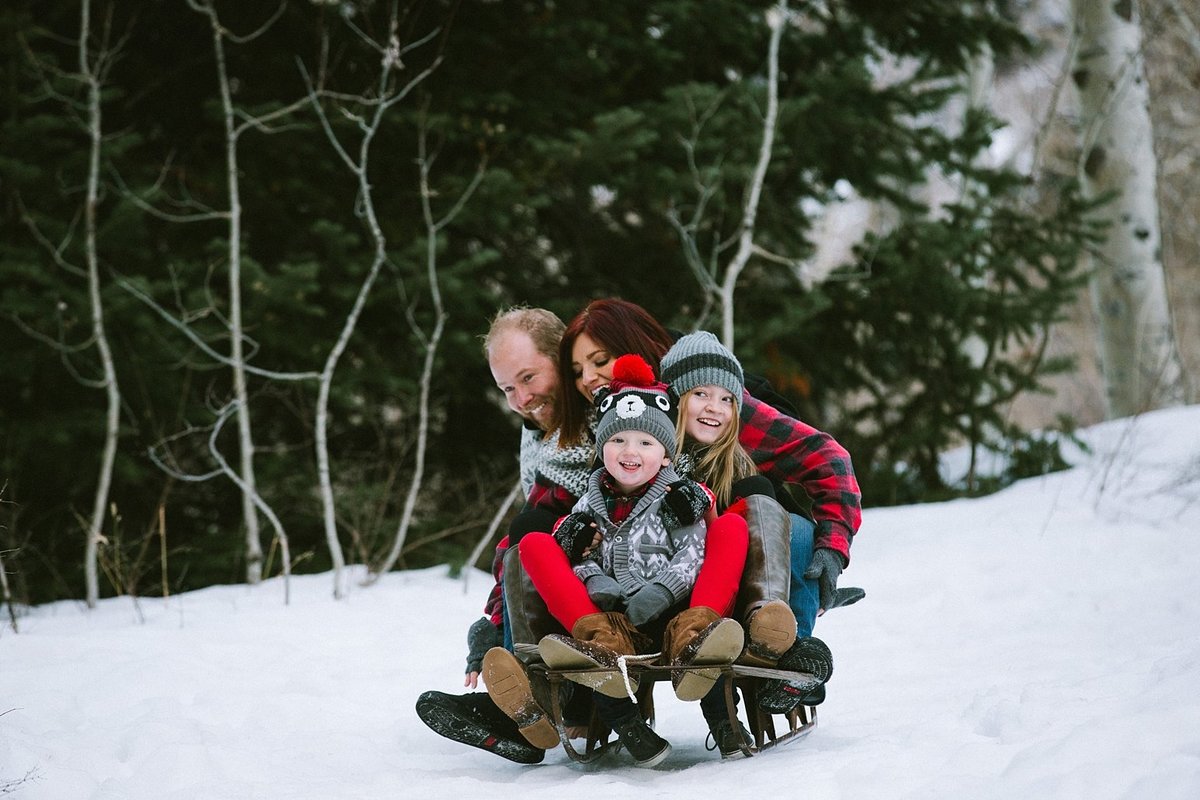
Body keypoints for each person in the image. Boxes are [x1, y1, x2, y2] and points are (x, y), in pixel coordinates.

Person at [486, 354, 753, 766]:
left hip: (676, 619)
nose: (630, 452)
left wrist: (665, 592)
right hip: (611, 622)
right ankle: (620, 705)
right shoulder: (588, 502)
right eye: (617, 441)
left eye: (645, 443)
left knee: (731, 532)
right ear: (602, 448)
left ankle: (721, 714)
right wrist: (595, 581)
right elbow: (579, 557)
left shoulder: (678, 497)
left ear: (665, 456)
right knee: (537, 544)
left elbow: (694, 551)